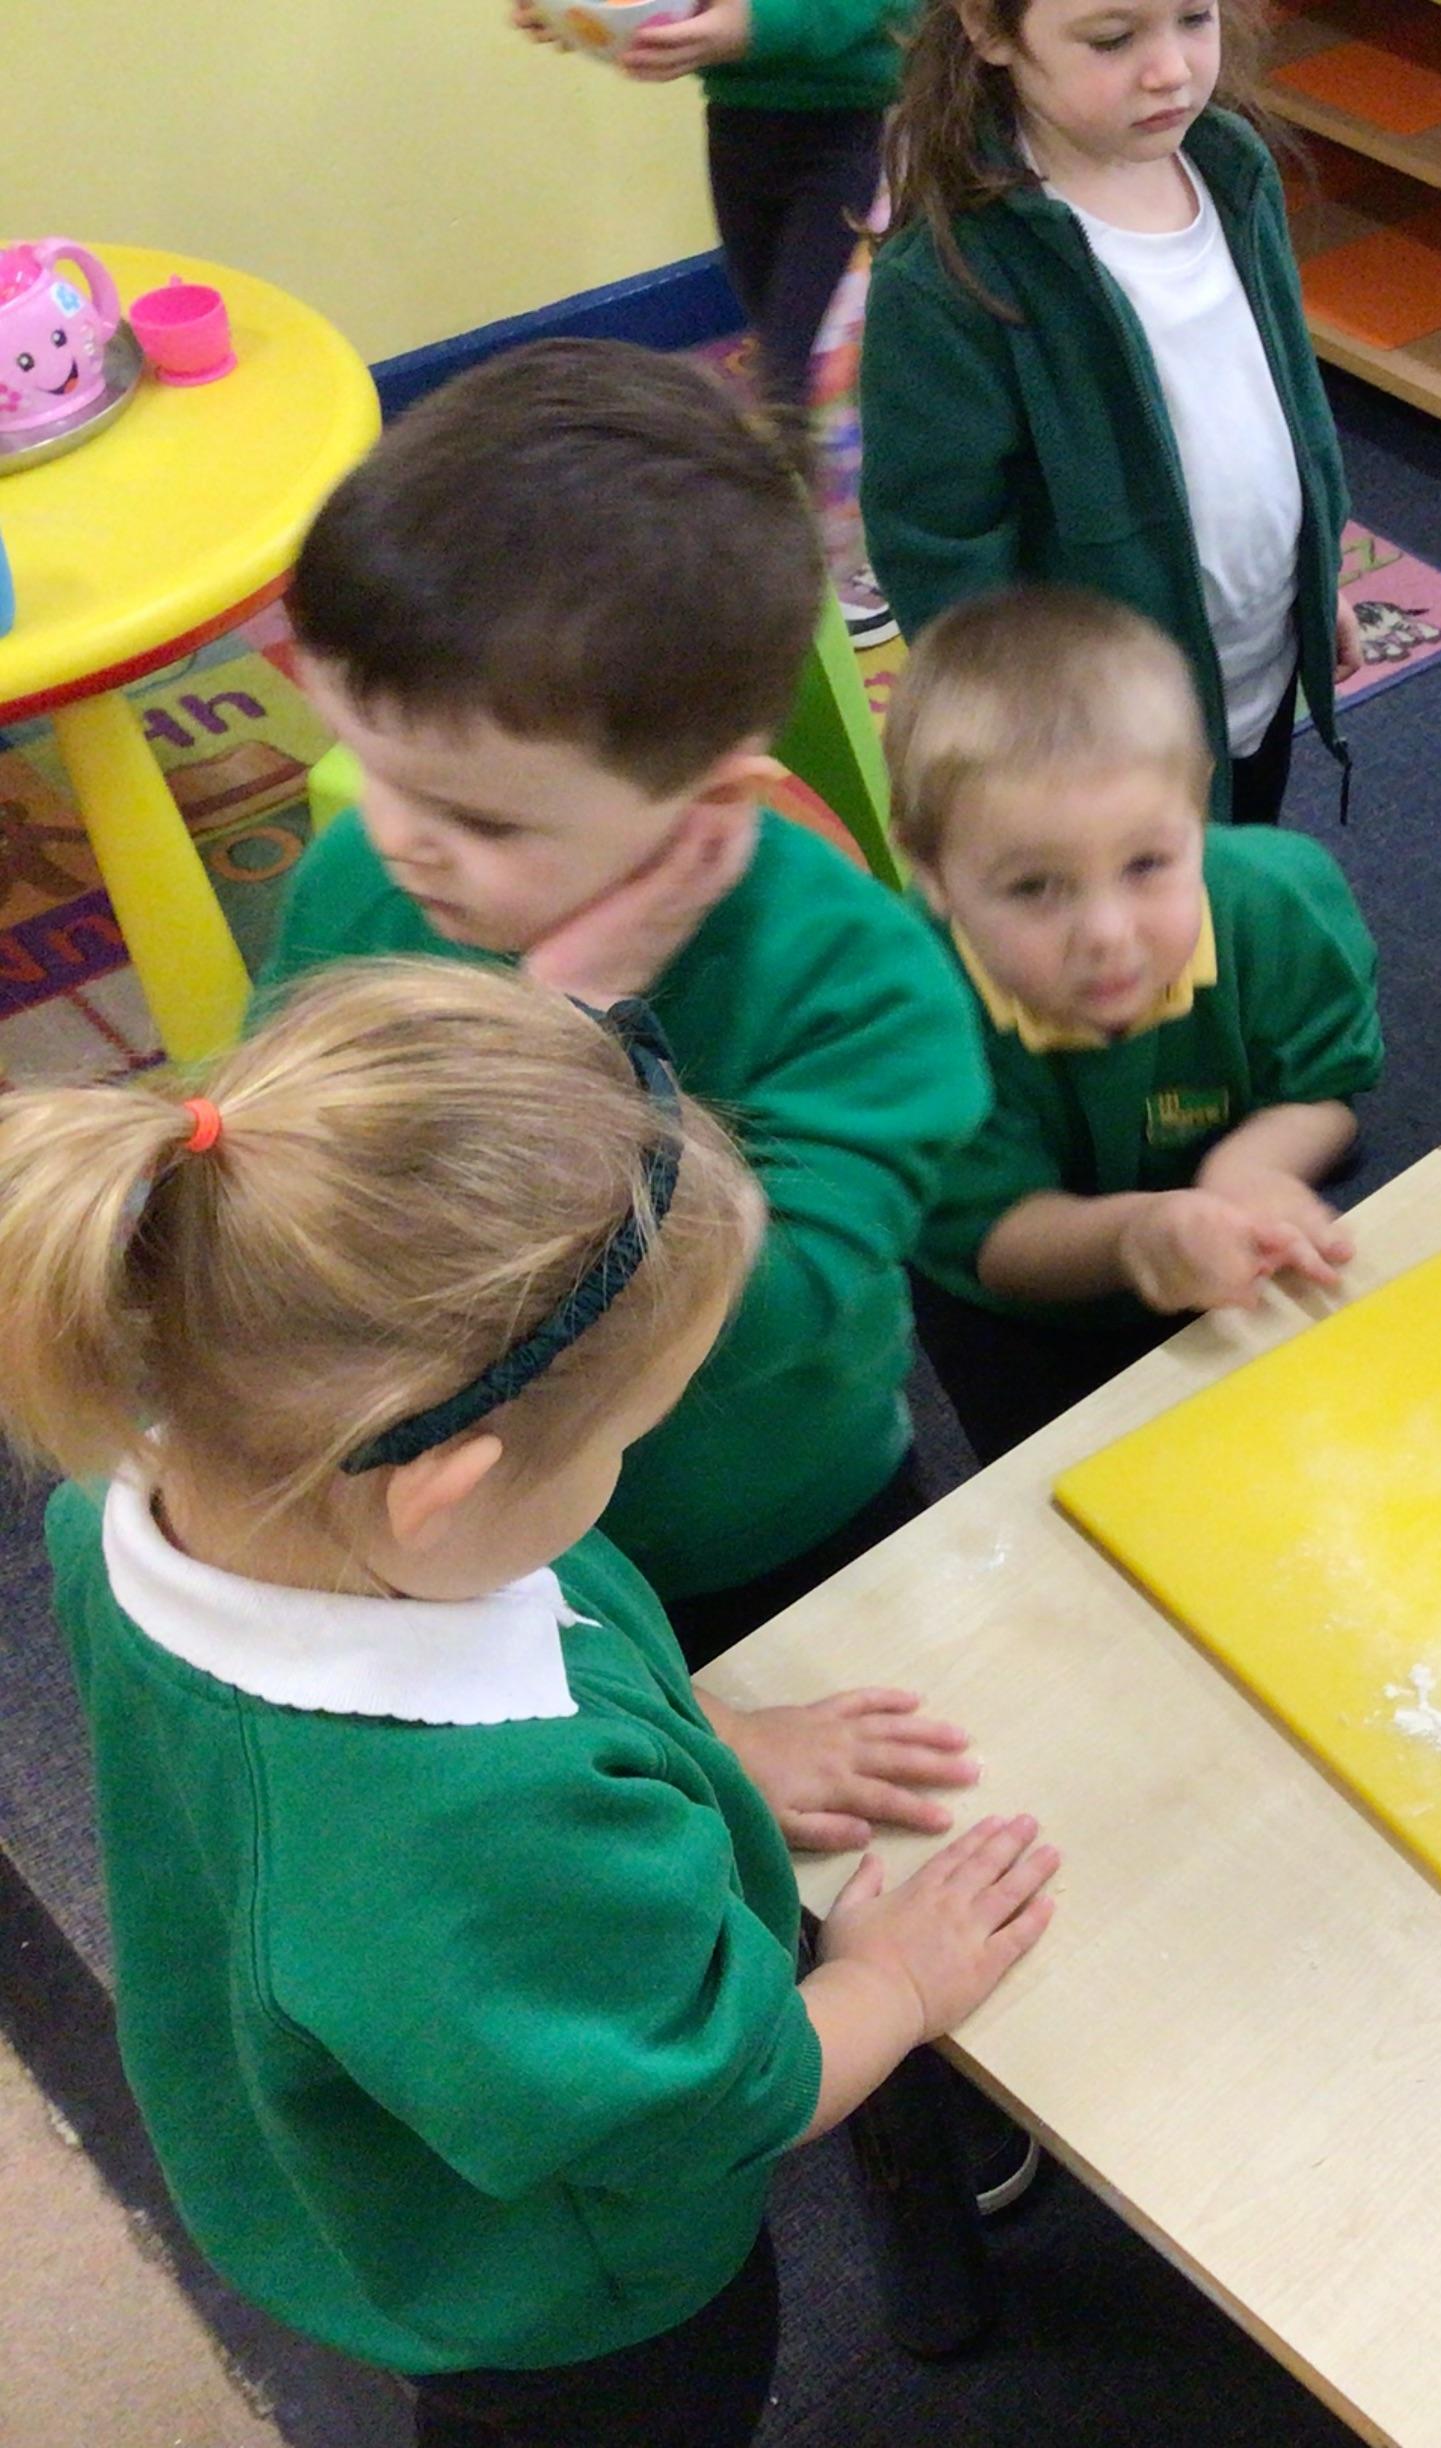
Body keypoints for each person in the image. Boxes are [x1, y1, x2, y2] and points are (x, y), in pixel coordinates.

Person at [0, 961, 1056, 2448]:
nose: (622, 1474)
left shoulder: (166, 1501)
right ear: (442, 1493)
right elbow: (700, 2104)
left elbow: (547, 1634)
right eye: (625, 1441)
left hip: (337, 2115)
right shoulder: (480, 1832)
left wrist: (711, 1749)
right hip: (550, 2298)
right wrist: (895, 1985)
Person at [259, 339, 990, 1663]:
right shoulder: (362, 878)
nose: (402, 840)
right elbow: (289, 1170)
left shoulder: (867, 988)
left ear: (711, 803)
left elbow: (743, 1321)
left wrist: (574, 1027)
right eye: (374, 768)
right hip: (448, 1531)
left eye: (481, 820)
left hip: (765, 1524)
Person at [889, 585, 1384, 1464]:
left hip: (1242, 1262)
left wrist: (1246, 1172)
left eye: (1147, 864)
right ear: (932, 872)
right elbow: (997, 1235)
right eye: (1035, 887)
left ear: (1198, 805)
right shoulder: (908, 1003)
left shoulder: (1279, 906)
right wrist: (1138, 1237)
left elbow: (1326, 1093)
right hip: (1029, 1325)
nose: (1108, 935)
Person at [860, 0, 1361, 827]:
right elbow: (940, 545)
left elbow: (1285, 392)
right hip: (1101, 736)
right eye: (1113, 39)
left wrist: (1316, 566)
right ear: (989, 28)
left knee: (1241, 858)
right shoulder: (946, 282)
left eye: (1195, 17)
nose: (1171, 70)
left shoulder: (1231, 166)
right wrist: (1026, 725)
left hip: (1258, 664)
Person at [510, 0, 917, 426]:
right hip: (738, 122)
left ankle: (810, 448)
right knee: (776, 331)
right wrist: (577, 16)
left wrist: (757, 23)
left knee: (799, 361)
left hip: (854, 126)